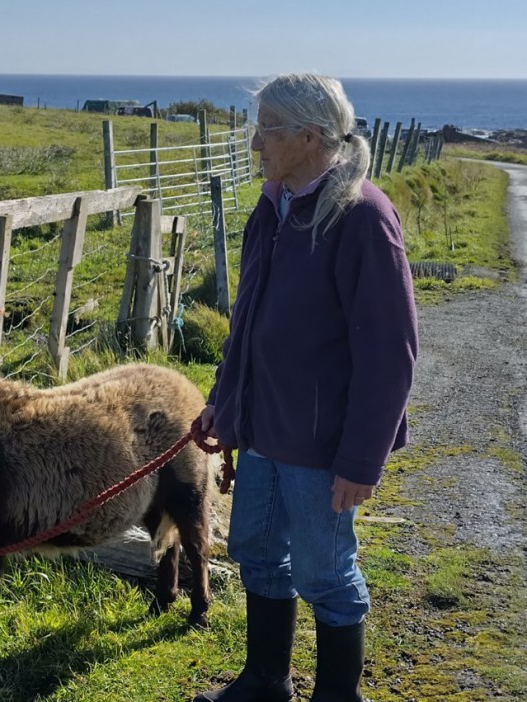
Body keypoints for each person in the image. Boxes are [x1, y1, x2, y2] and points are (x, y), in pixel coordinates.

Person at [192, 74, 418, 702]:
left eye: (267, 128)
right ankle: (266, 681)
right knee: (258, 554)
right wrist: (223, 402)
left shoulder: (362, 216)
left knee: (325, 572)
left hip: (322, 445)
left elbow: (390, 354)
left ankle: (338, 696)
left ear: (310, 136)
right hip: (263, 427)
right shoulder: (273, 204)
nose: (255, 141)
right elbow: (249, 322)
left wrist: (361, 459)